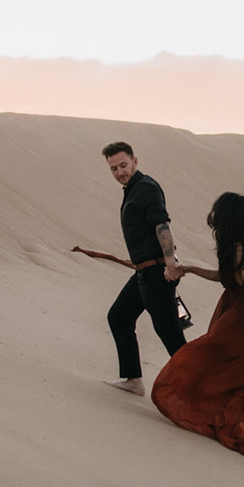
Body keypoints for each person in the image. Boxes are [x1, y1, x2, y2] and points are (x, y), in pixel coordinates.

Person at [151, 192, 244, 484]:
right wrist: (191, 269)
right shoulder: (230, 245)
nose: (214, 215)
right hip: (236, 310)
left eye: (218, 211)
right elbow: (225, 278)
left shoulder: (237, 246)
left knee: (211, 357)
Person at [102, 141, 186, 395]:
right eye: (114, 168)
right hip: (143, 272)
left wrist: (170, 264)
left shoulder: (145, 188)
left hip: (157, 273)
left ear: (135, 161)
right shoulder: (132, 189)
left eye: (123, 165)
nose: (119, 172)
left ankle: (197, 391)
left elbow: (162, 225)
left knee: (170, 334)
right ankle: (133, 379)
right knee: (119, 317)